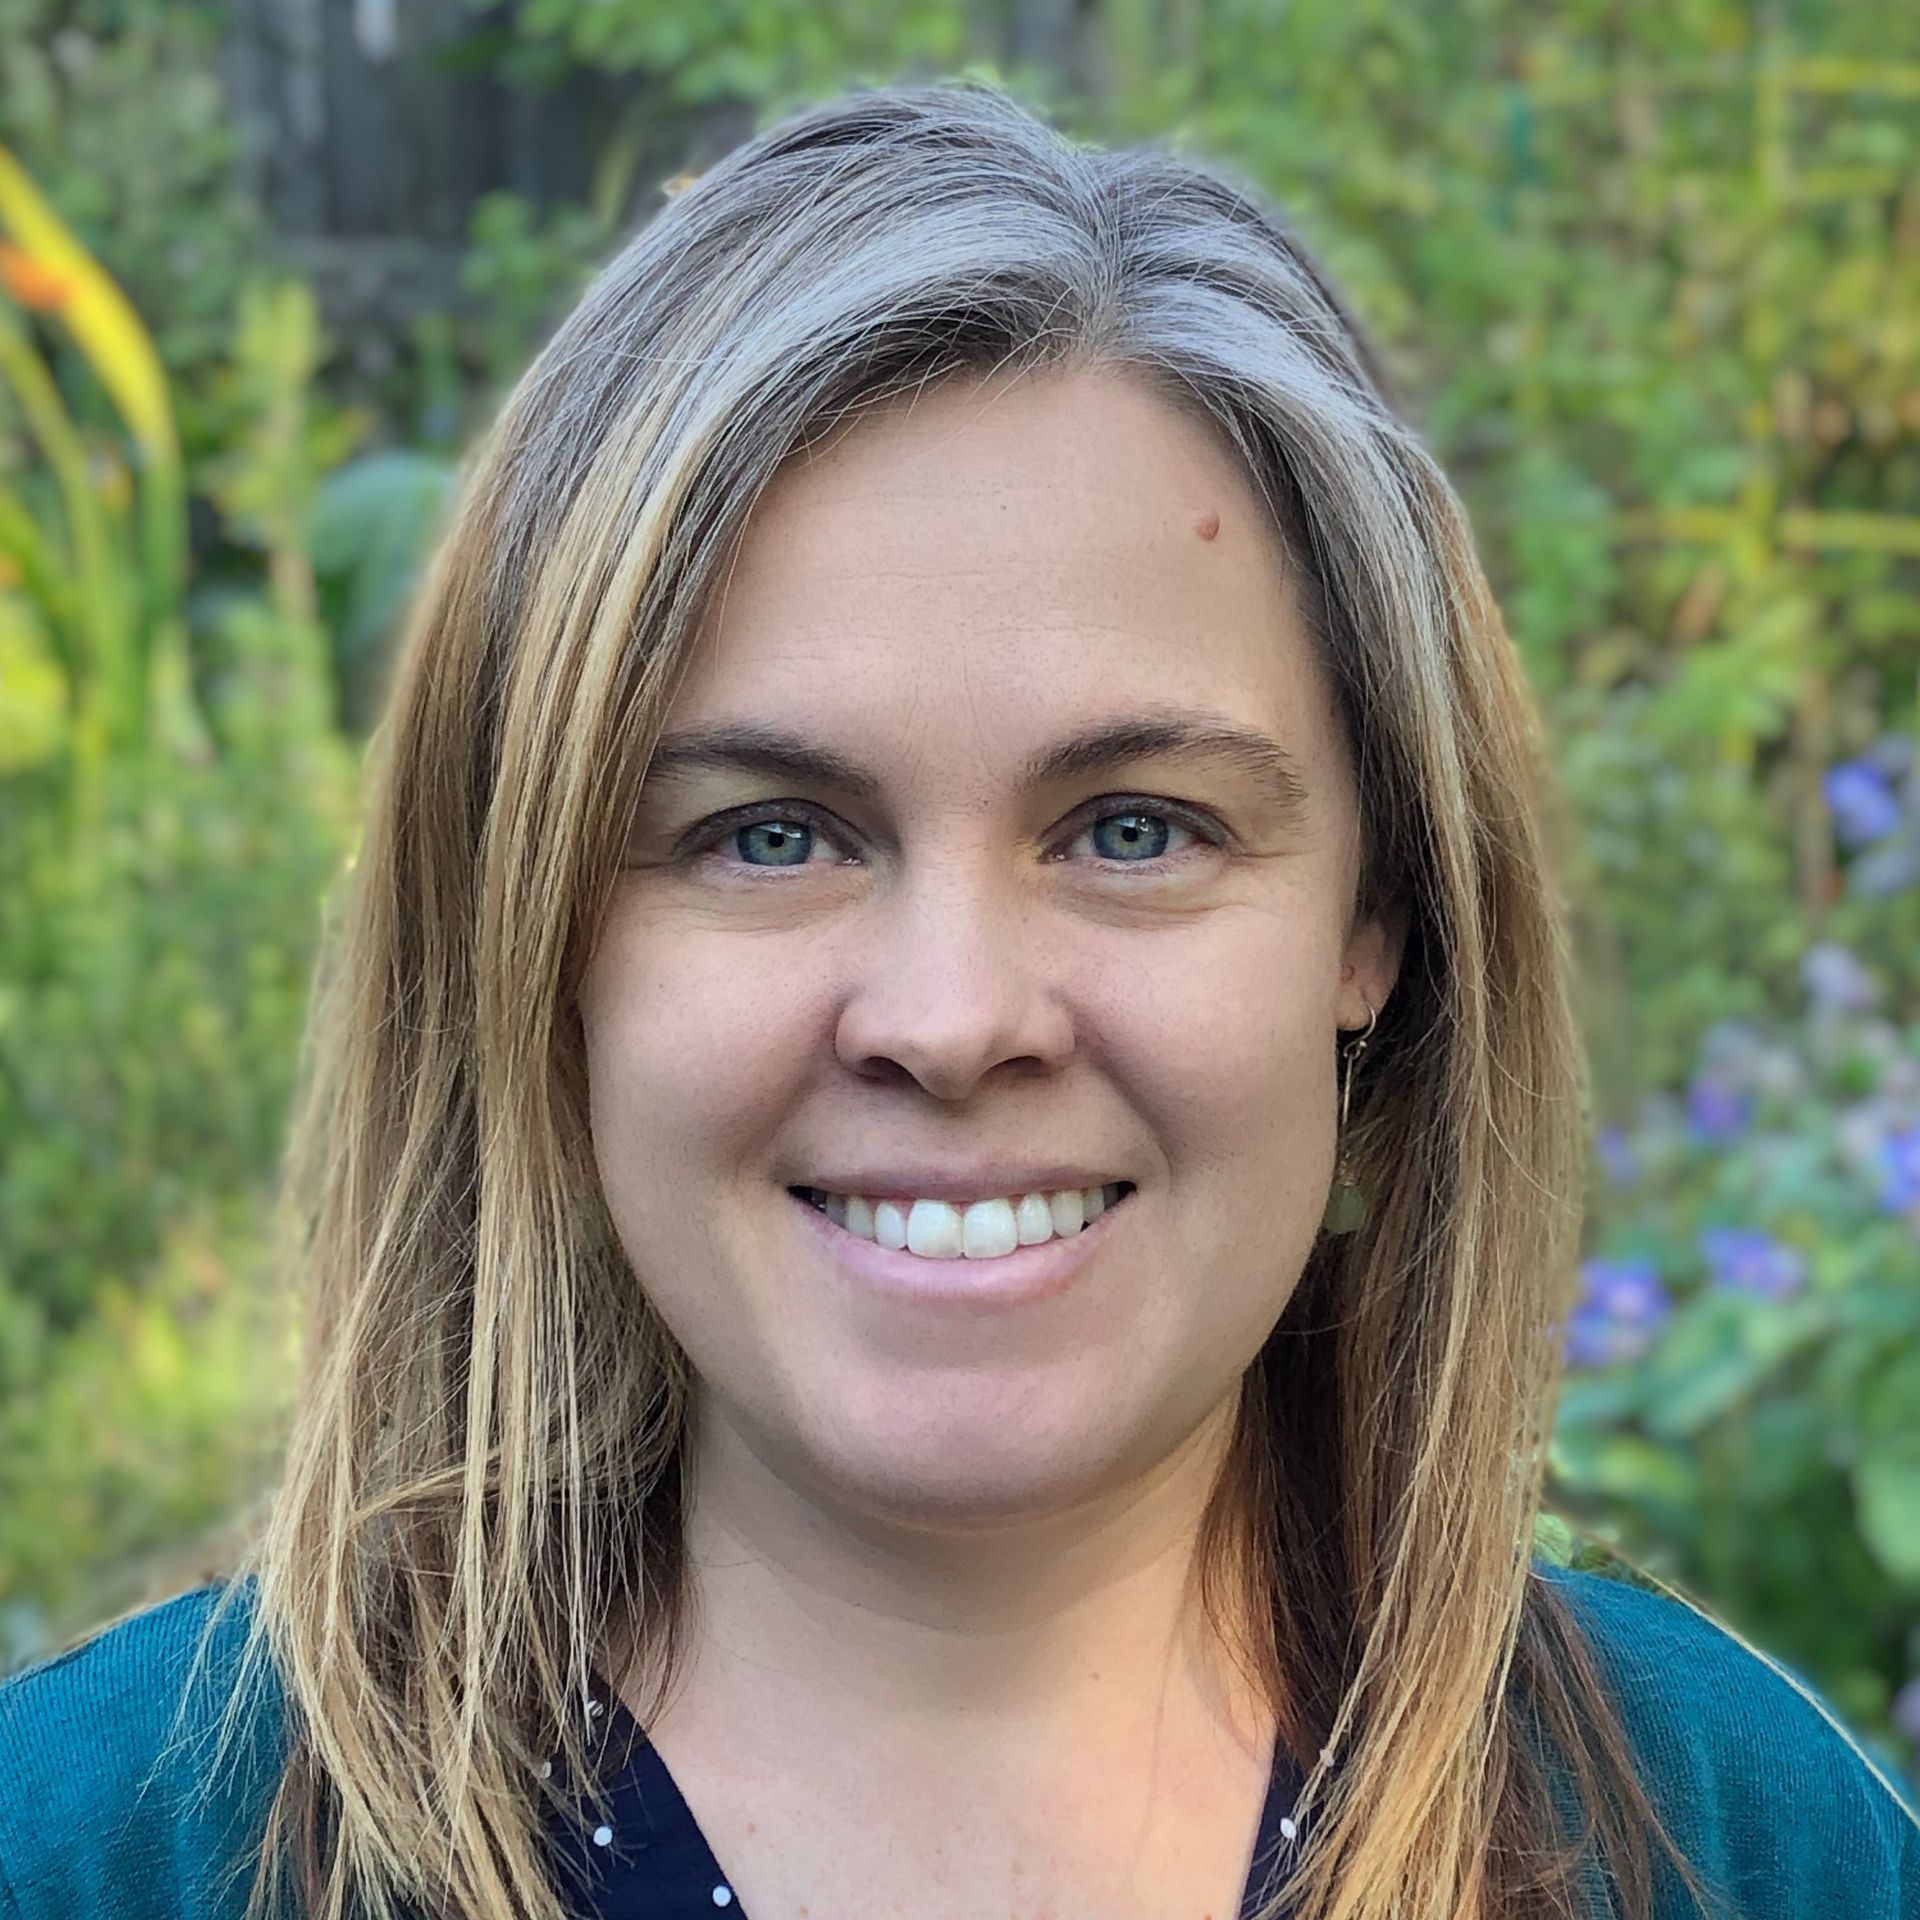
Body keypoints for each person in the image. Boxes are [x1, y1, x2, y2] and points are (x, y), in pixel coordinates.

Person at [1, 76, 1915, 1920]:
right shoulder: (99, 1858)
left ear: (1379, 916)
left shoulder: (1733, 1847)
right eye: (767, 835)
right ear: (534, 945)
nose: (953, 1013)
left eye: (1137, 828)